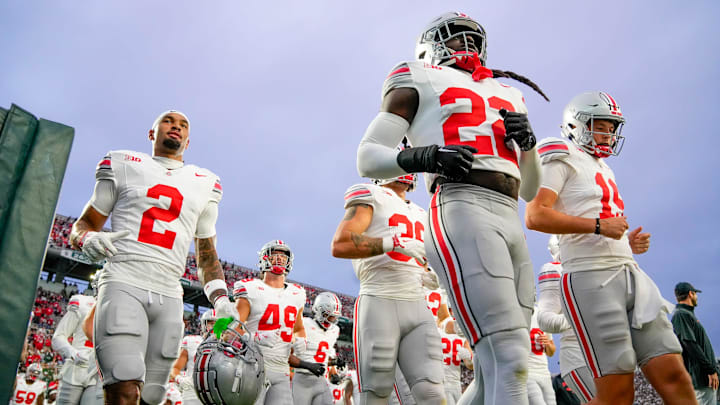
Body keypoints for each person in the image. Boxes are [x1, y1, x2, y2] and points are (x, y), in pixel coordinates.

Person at [355, 11, 549, 405]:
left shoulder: (508, 92)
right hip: (462, 205)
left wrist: (527, 146)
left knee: (494, 365)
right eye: (456, 37)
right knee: (510, 355)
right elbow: (368, 157)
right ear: (430, 44)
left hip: (510, 215)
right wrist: (427, 156)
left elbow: (530, 189)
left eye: (473, 38)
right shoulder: (417, 75)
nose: (468, 46)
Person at [525, 91, 696, 405]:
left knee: (674, 373)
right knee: (617, 394)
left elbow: (595, 218)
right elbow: (535, 215)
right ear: (577, 125)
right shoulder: (560, 152)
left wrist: (626, 244)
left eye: (611, 127)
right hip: (591, 277)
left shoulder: (604, 167)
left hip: (628, 273)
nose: (608, 134)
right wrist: (599, 227)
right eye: (600, 126)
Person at [69, 110, 235, 405]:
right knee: (124, 388)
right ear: (152, 133)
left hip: (171, 291)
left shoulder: (204, 182)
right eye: (169, 121)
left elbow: (207, 255)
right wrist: (88, 239)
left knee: (152, 396)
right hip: (124, 279)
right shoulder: (123, 164)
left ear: (188, 140)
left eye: (183, 125)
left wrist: (221, 299)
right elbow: (83, 226)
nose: (176, 127)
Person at [331, 170, 445, 405]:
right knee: (377, 395)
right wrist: (392, 243)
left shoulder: (421, 213)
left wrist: (430, 274)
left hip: (417, 304)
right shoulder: (371, 195)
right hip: (380, 299)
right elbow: (341, 243)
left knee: (432, 394)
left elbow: (420, 257)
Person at [233, 240, 323, 405]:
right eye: (275, 254)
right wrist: (253, 338)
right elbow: (229, 331)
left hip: (282, 370)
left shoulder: (297, 293)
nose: (280, 258)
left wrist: (300, 339)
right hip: (253, 365)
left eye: (283, 256)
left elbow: (298, 328)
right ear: (264, 258)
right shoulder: (250, 288)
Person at [536, 236, 595, 403]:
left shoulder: (597, 265)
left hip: (606, 351)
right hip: (580, 354)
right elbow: (545, 319)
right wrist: (580, 318)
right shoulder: (556, 270)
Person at [671, 282, 719, 405]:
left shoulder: (688, 314)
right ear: (691, 294)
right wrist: (710, 369)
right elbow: (689, 343)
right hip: (701, 378)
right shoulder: (681, 314)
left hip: (705, 377)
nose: (696, 297)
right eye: (695, 294)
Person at [51, 294, 103, 405]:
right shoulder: (83, 303)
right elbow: (58, 337)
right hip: (76, 369)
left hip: (99, 373)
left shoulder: (120, 309)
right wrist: (73, 353)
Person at [292, 292, 342, 405]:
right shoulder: (304, 324)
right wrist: (308, 365)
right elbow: (287, 356)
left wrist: (334, 363)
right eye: (328, 315)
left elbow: (321, 358)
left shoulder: (334, 331)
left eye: (334, 316)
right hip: (302, 380)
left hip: (320, 381)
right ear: (319, 311)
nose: (332, 319)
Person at [169, 309, 216, 405]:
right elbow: (175, 368)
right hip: (192, 392)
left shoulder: (228, 347)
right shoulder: (192, 341)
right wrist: (181, 380)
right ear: (203, 325)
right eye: (211, 323)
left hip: (216, 395)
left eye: (217, 324)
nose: (214, 327)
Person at [439, 317, 473, 405]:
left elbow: (470, 365)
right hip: (449, 382)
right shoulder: (463, 331)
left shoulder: (436, 328)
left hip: (449, 382)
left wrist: (468, 357)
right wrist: (469, 358)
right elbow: (470, 364)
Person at [527, 308, 557, 405]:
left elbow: (551, 353)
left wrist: (547, 343)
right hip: (528, 373)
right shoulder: (517, 314)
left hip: (544, 373)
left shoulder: (542, 315)